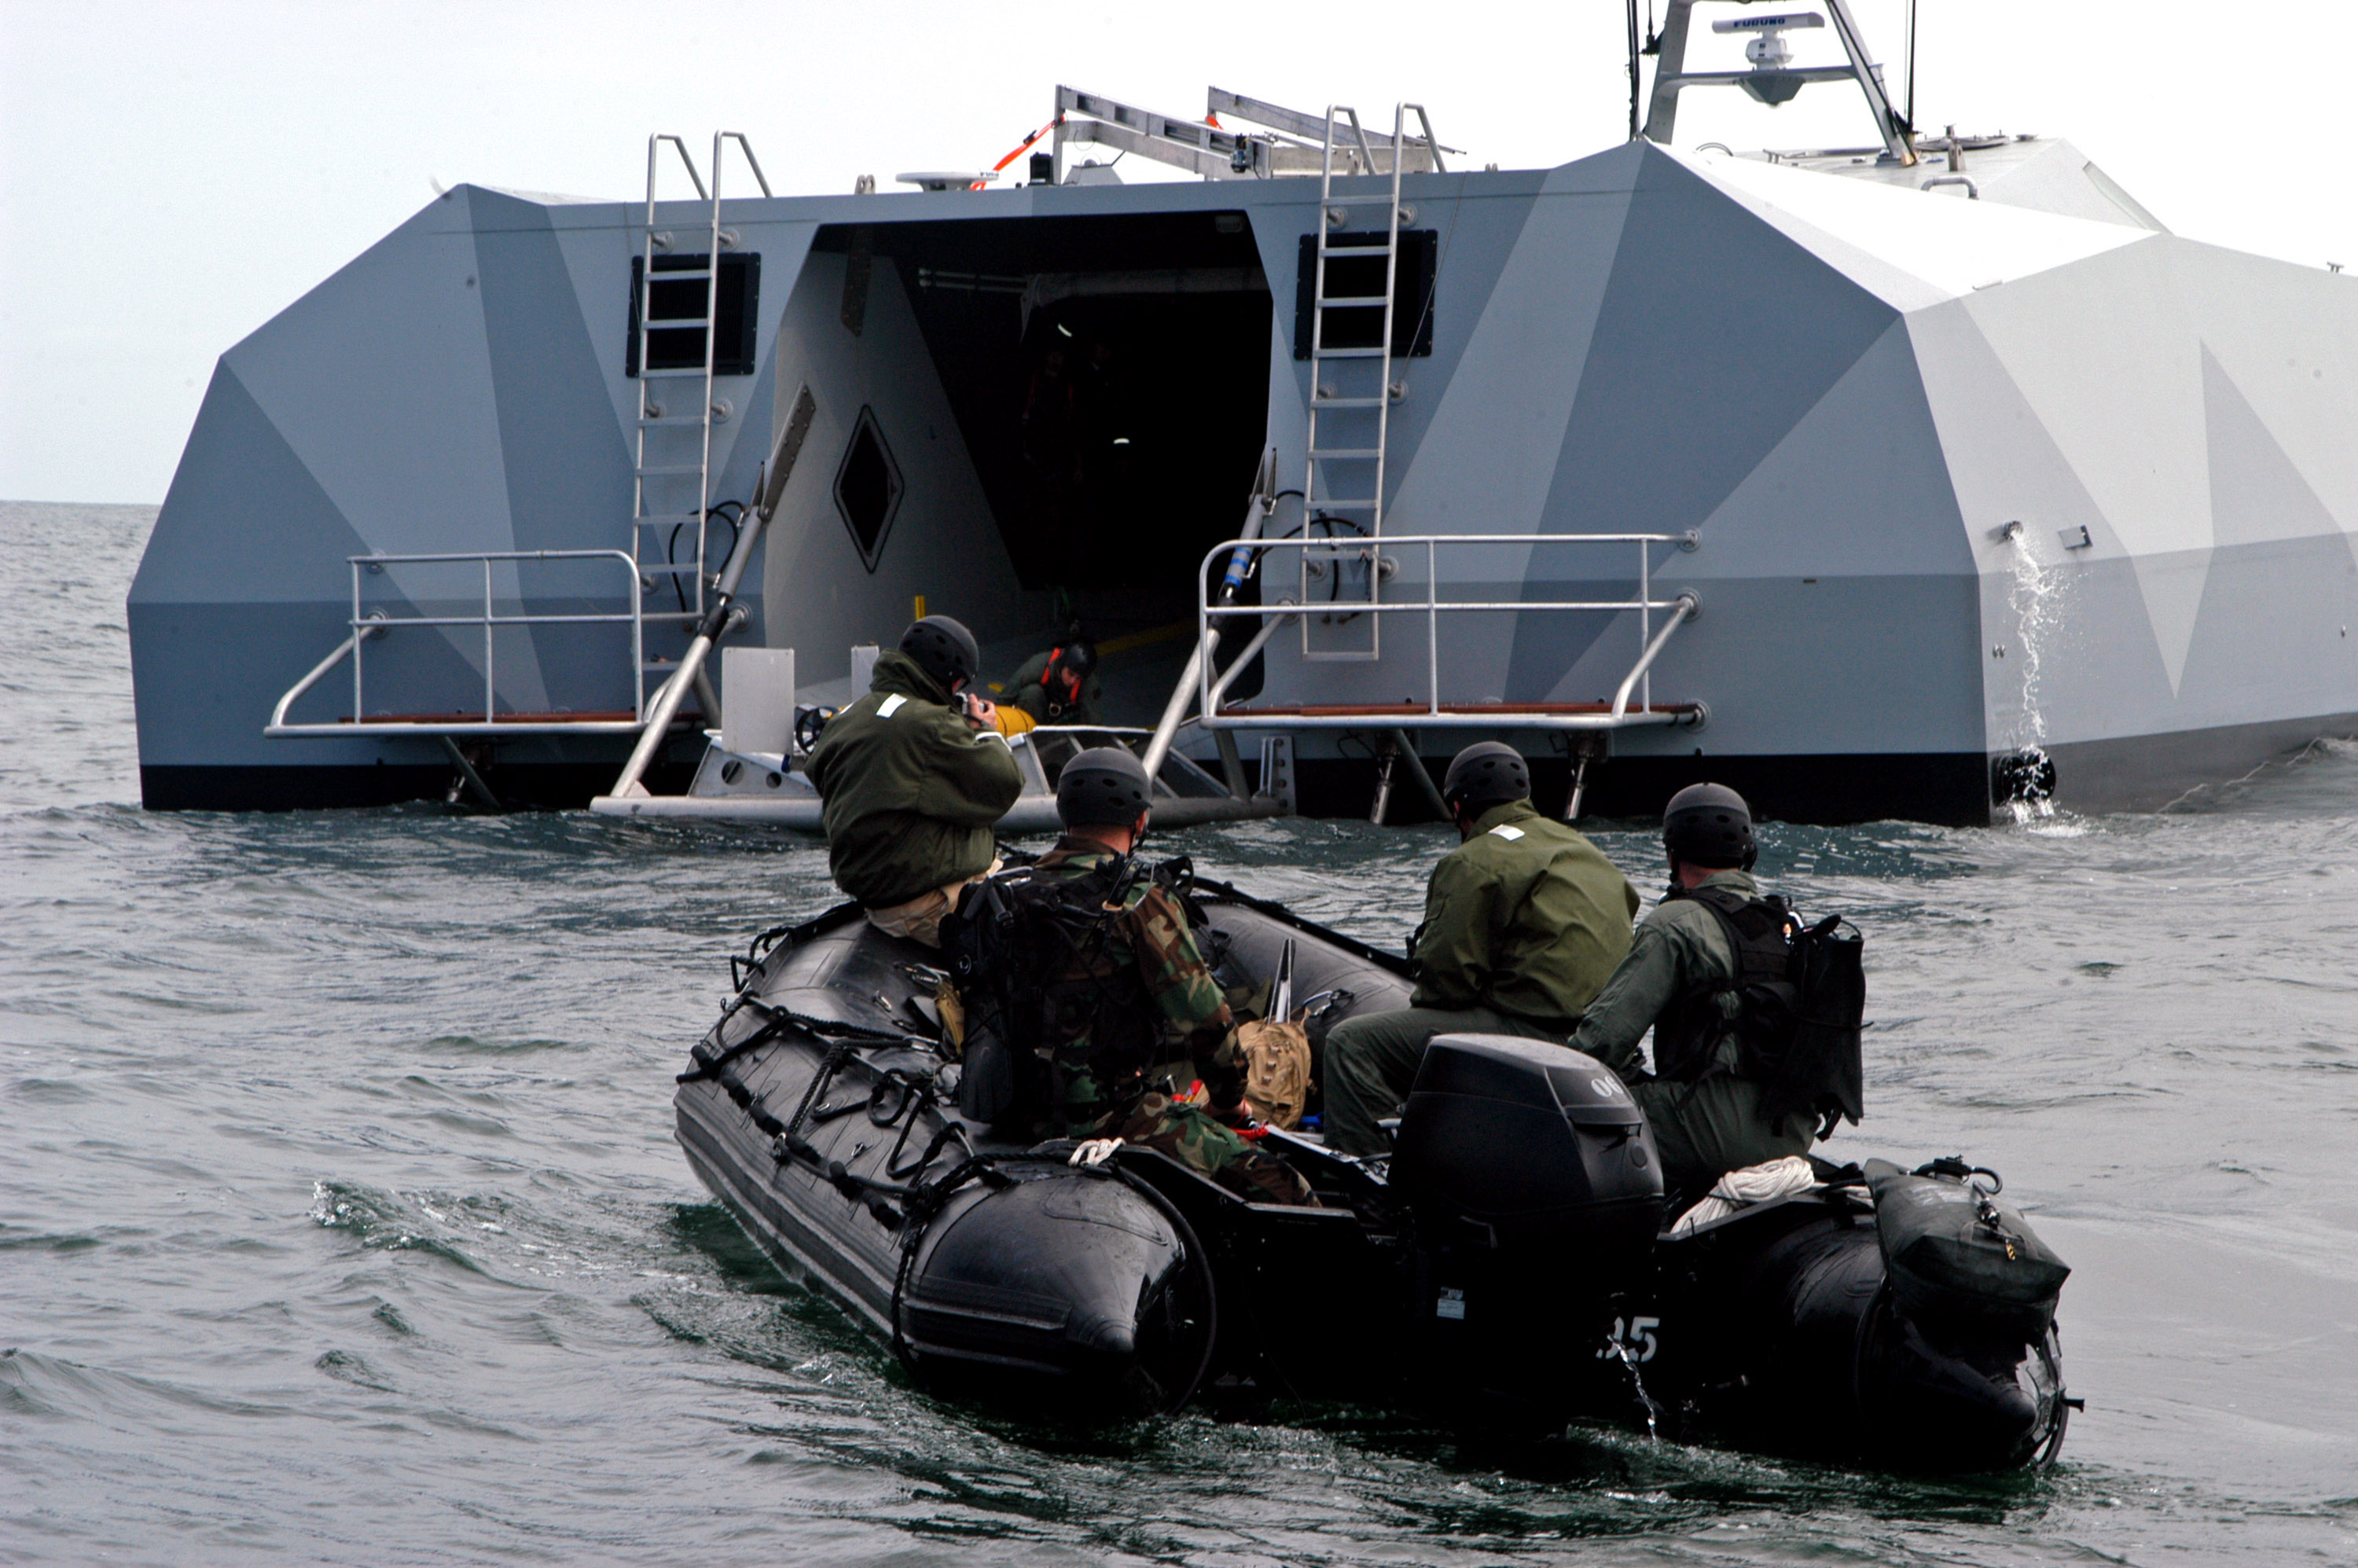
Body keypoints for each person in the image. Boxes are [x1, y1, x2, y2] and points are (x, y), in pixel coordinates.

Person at [948, 747, 1316, 1206]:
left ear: (1065, 813)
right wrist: (1228, 1101)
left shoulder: (1010, 895)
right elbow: (1208, 1022)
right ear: (1139, 821)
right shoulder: (1140, 900)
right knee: (1287, 1187)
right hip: (1109, 1121)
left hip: (1017, 1115)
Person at [1321, 743, 1640, 1156]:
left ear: (1458, 807)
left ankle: (1378, 1174)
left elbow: (1445, 983)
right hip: (1600, 1044)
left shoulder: (1474, 860)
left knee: (1350, 1044)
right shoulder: (1586, 852)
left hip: (1534, 1036)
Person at [1567, 783, 1821, 1205]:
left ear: (1673, 855)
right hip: (1793, 1137)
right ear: (1748, 852)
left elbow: (1600, 1043)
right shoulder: (1786, 924)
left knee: (1572, 1104)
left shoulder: (1674, 922)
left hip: (1712, 1136)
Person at [805, 615, 1022, 947]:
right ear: (949, 678)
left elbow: (822, 772)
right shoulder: (929, 724)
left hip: (878, 899)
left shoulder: (847, 717)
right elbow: (1004, 782)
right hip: (926, 908)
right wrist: (984, 731)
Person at [1004, 637, 1103, 726]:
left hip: (1066, 717)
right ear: (1062, 665)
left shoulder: (1088, 683)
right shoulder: (1037, 666)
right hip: (1039, 709)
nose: (1073, 681)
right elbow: (1006, 697)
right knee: (1031, 693)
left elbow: (1094, 721)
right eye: (1071, 674)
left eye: (1078, 678)